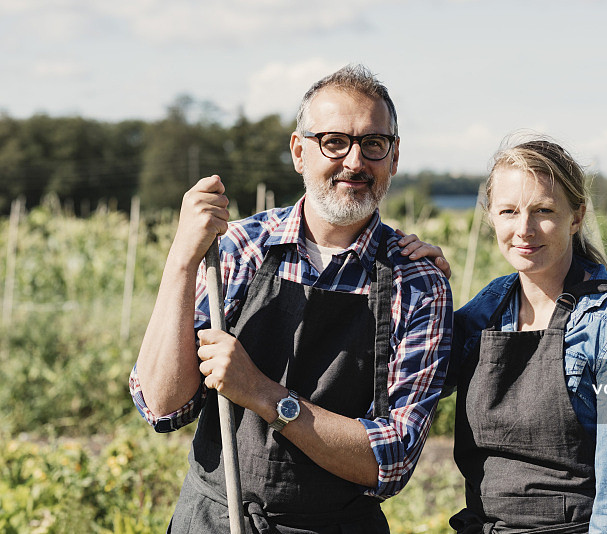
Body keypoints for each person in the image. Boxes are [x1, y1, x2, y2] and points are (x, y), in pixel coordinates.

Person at [129, 64, 453, 533]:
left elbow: (393, 460)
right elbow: (162, 407)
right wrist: (182, 257)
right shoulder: (240, 248)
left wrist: (260, 392)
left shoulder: (418, 283)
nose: (355, 162)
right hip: (214, 520)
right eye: (334, 141)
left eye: (373, 144)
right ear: (300, 151)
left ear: (394, 157)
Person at [406, 136, 607, 533]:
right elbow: (411, 378)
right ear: (490, 217)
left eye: (544, 210)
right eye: (509, 211)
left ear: (577, 216)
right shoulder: (487, 311)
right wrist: (414, 282)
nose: (524, 229)